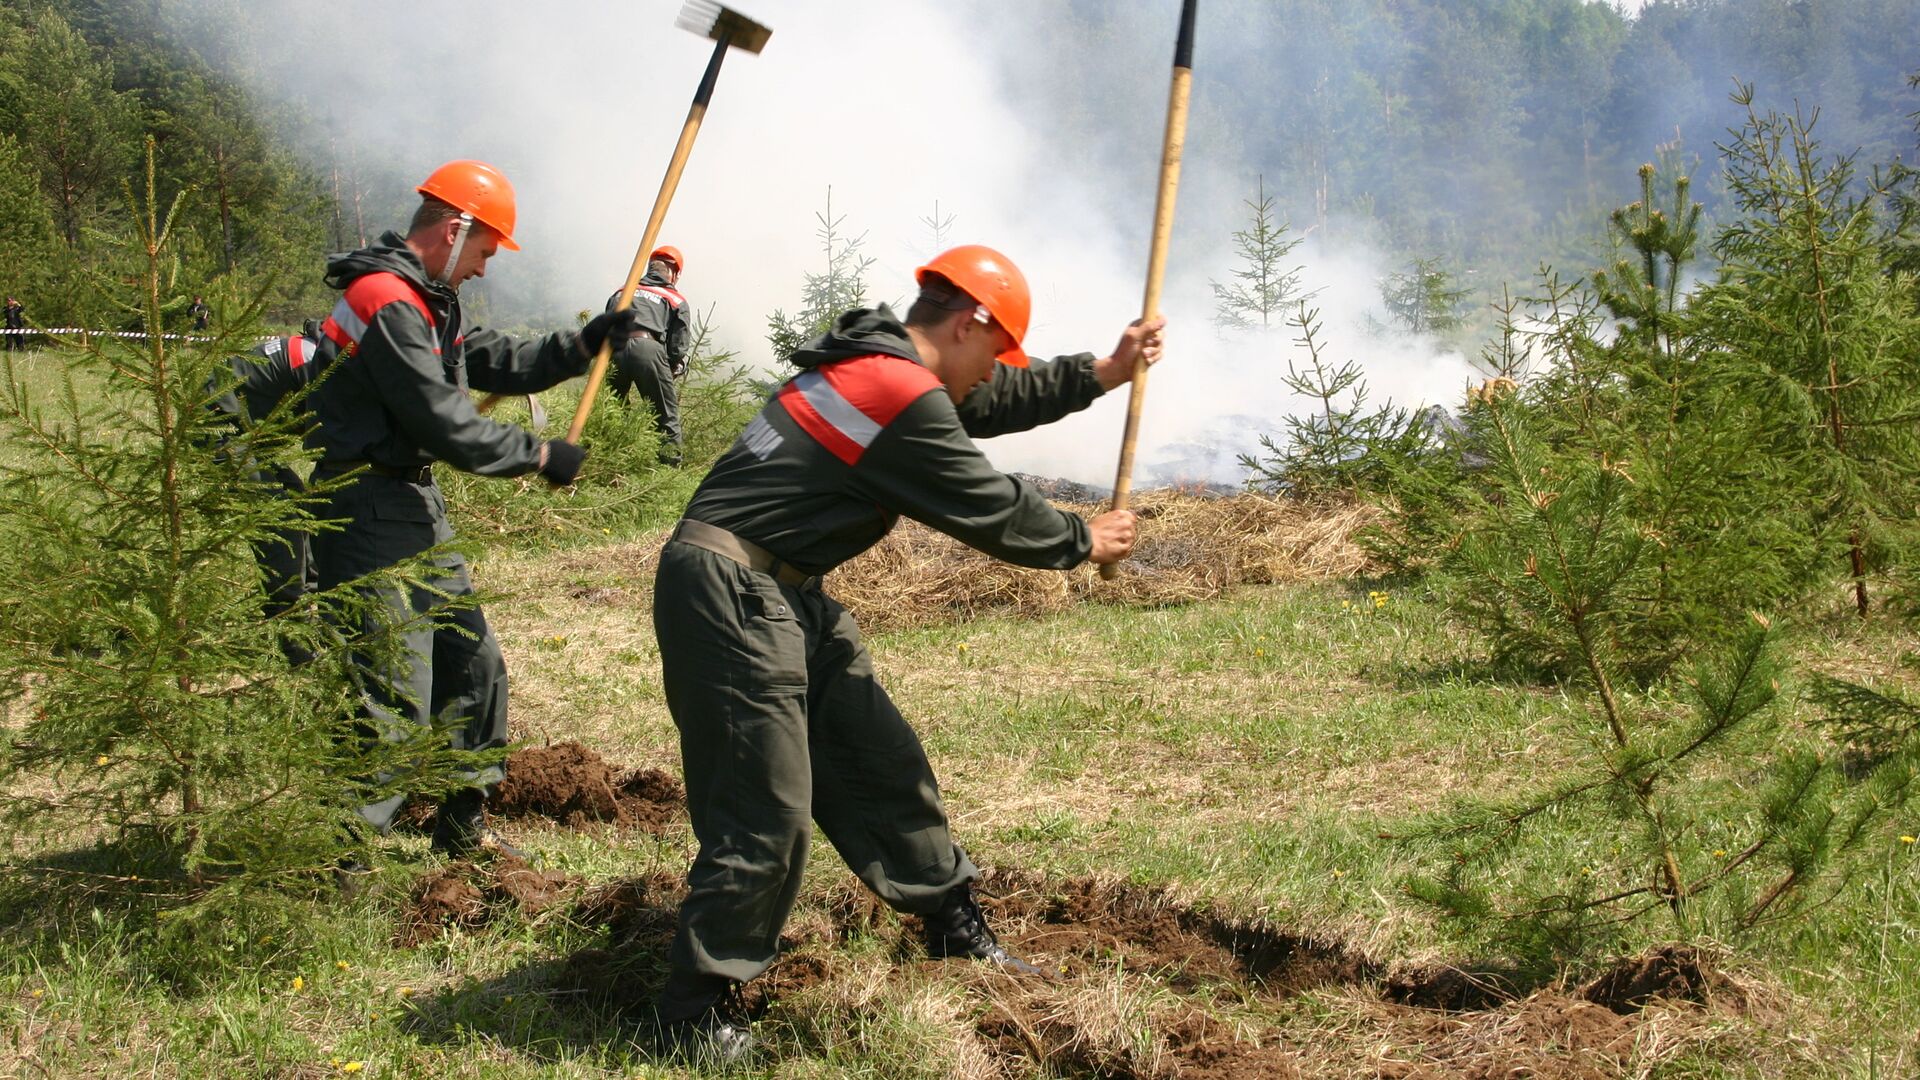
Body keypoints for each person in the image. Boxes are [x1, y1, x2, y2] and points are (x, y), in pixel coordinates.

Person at [650, 244, 1164, 1060]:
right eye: (992, 356)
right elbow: (987, 504)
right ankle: (693, 1009)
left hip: (783, 589)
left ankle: (951, 924)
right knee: (764, 805)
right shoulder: (892, 389)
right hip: (733, 590)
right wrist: (1081, 539)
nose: (988, 376)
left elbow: (982, 403)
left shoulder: (883, 368)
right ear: (968, 325)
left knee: (876, 757)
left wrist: (1102, 371)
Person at [305, 159, 638, 858]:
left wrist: (580, 346)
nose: (485, 268)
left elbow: (486, 358)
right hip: (363, 505)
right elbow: (442, 420)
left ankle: (462, 828)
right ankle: (336, 862)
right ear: (455, 231)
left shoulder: (426, 301)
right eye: (485, 250)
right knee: (392, 695)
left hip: (411, 502)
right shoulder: (384, 300)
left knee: (473, 667)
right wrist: (540, 456)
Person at [205, 321, 326, 665]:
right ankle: (295, 642)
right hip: (222, 431)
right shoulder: (312, 360)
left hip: (248, 434)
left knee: (303, 509)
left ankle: (312, 616)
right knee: (280, 523)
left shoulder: (317, 352)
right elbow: (327, 443)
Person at [606, 244, 691, 465]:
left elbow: (604, 324)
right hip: (648, 350)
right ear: (673, 274)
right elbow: (677, 347)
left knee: (611, 407)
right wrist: (672, 368)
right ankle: (667, 472)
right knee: (666, 417)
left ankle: (609, 459)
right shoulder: (676, 300)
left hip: (614, 350)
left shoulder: (622, 291)